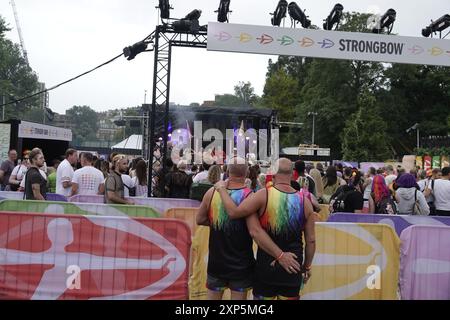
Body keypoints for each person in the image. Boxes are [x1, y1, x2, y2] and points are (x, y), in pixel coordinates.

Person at [215, 158, 315, 300]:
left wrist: (221, 189)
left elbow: (234, 213)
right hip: (293, 267)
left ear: (273, 173)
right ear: (293, 174)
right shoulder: (305, 202)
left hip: (266, 267)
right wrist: (307, 267)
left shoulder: (263, 195)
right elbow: (311, 240)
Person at [196, 157, 256, 300]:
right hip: (241, 264)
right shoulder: (250, 196)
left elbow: (200, 219)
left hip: (217, 263)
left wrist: (218, 222)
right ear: (247, 172)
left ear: (228, 171)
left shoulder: (212, 192)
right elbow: (254, 229)